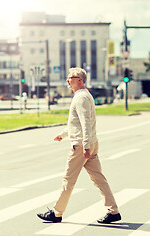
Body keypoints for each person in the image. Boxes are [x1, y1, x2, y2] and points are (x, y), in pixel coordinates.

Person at [37, 67, 121, 224]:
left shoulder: (81, 98)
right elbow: (75, 123)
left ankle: (56, 213)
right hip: (90, 143)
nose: (67, 80)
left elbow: (85, 123)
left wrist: (86, 145)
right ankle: (113, 211)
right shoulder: (83, 96)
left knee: (68, 180)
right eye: (68, 77)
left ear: (80, 80)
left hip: (82, 146)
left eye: (71, 77)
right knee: (99, 179)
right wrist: (62, 135)